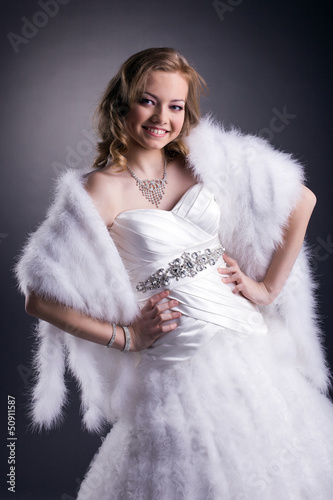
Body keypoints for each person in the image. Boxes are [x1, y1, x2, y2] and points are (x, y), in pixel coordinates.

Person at [16, 48, 333, 499]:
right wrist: (125, 336)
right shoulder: (99, 190)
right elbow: (38, 296)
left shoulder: (207, 165)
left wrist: (265, 289)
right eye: (148, 101)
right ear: (121, 104)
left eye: (176, 106)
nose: (161, 117)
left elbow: (301, 199)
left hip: (247, 349)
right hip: (178, 367)